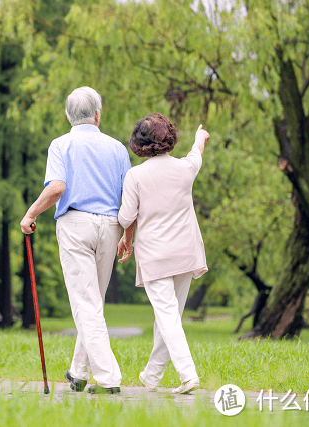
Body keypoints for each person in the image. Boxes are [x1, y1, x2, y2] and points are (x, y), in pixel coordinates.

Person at [20, 86, 131, 394]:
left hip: (76, 224)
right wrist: (127, 235)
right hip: (110, 226)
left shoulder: (60, 144)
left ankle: (109, 378)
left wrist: (31, 214)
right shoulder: (118, 148)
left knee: (86, 304)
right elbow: (129, 197)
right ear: (98, 114)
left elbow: (57, 188)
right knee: (93, 303)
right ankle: (78, 372)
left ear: (67, 115)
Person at [117, 113, 209, 394]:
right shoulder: (184, 169)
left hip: (156, 256)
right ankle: (152, 375)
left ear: (139, 143)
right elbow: (197, 153)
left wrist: (125, 231)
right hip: (185, 253)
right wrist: (199, 138)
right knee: (170, 317)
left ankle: (188, 375)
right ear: (169, 138)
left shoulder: (135, 176)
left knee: (167, 317)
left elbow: (125, 217)